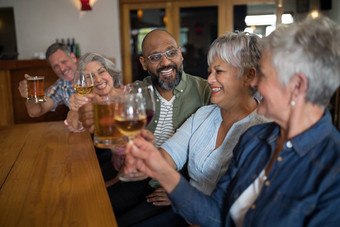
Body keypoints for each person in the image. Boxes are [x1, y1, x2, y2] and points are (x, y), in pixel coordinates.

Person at [125, 16, 340, 226]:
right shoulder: (254, 138)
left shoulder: (333, 170)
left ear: (297, 86)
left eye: (263, 75)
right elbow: (218, 213)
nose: (254, 82)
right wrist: (153, 161)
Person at [117, 31, 270, 226]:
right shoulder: (203, 115)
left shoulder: (263, 130)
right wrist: (145, 156)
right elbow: (169, 155)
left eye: (219, 72)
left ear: (249, 75)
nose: (210, 80)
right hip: (186, 211)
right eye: (210, 72)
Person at [79, 29, 211, 220]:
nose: (165, 62)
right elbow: (108, 100)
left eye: (171, 53)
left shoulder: (205, 91)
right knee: (90, 209)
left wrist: (183, 190)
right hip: (138, 175)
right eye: (155, 57)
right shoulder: (138, 91)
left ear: (180, 54)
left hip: (174, 183)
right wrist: (83, 111)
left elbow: (216, 150)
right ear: (144, 63)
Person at [66, 52, 124, 183]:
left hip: (137, 169)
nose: (97, 79)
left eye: (101, 72)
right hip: (115, 165)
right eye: (90, 77)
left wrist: (114, 181)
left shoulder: (130, 94)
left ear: (110, 72)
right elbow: (74, 128)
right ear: (85, 83)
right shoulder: (91, 103)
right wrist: (75, 109)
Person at [18, 43, 77, 117]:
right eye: (56, 66)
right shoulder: (60, 86)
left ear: (73, 57)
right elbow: (35, 112)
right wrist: (31, 94)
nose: (62, 69)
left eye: (63, 62)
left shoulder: (91, 74)